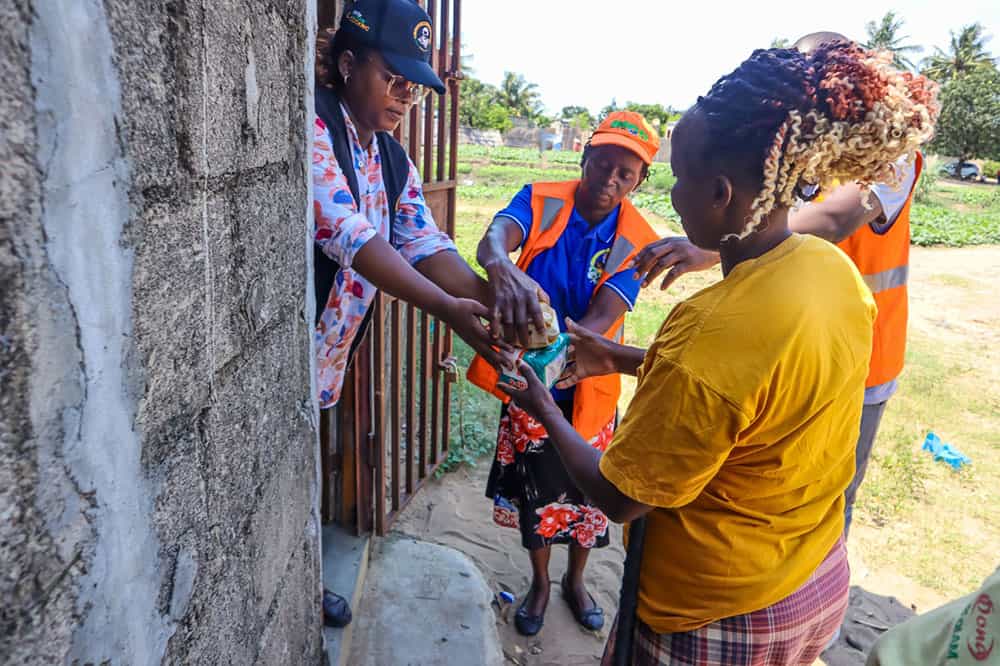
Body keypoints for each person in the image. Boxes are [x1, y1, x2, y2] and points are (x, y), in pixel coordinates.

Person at [500, 42, 937, 664]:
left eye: (680, 177)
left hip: (714, 611)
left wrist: (542, 406)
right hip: (813, 574)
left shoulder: (709, 327)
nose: (673, 193)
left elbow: (622, 497)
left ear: (720, 193)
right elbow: (757, 390)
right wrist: (619, 358)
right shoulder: (829, 269)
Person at [630, 31, 929, 537]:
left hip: (851, 354)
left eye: (808, 75)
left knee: (819, 497)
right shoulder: (791, 147)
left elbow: (833, 219)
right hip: (792, 338)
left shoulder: (889, 156)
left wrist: (718, 240)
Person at [312, 0, 506, 624]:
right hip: (286, 348)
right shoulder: (314, 126)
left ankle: (302, 570)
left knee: (304, 462)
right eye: (391, 78)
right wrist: (448, 309)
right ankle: (297, 578)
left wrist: (496, 298)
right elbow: (348, 234)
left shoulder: (391, 159)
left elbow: (424, 242)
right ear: (348, 64)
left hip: (327, 356)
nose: (404, 96)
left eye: (413, 87)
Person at [466, 112, 661, 636]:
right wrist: (500, 266)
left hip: (586, 384)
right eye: (602, 164)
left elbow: (602, 319)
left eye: (625, 173)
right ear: (584, 158)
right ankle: (540, 582)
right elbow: (496, 237)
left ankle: (576, 580)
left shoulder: (637, 239)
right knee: (536, 489)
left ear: (640, 180)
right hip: (529, 380)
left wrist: (553, 350)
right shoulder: (540, 198)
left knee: (588, 495)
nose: (610, 179)